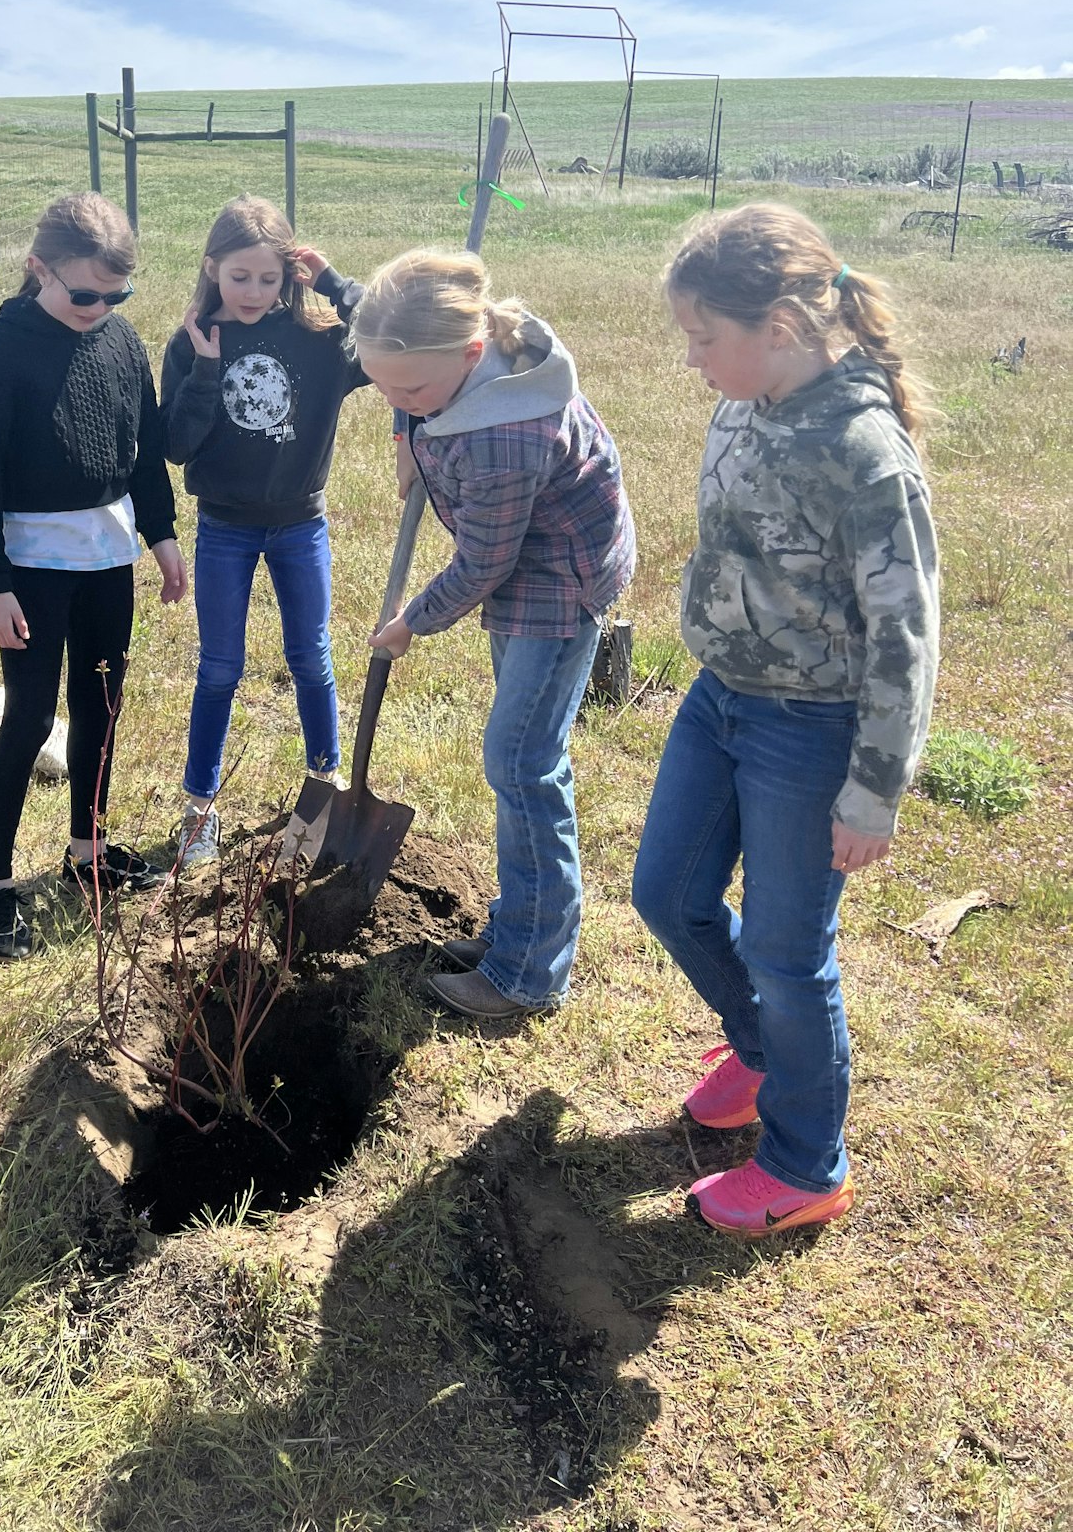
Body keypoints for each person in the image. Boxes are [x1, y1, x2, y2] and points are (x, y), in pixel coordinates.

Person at [633, 203, 939, 1237]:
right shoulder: (745, 403)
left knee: (786, 947)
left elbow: (906, 627)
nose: (691, 360)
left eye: (703, 337)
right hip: (719, 696)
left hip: (809, 731)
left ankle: (808, 1161)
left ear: (780, 323)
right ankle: (764, 1049)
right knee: (666, 891)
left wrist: (875, 786)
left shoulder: (862, 450)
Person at [352, 249, 636, 1021]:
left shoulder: (504, 437)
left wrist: (413, 622)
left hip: (554, 583)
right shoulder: (444, 373)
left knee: (522, 763)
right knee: (522, 761)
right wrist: (409, 430)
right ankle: (520, 926)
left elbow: (483, 564)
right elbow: (399, 366)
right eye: (381, 386)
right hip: (530, 568)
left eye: (410, 391)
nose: (396, 398)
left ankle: (528, 972)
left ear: (472, 355)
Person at [0, 191, 186, 959]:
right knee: (29, 717)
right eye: (84, 293)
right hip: (32, 569)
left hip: (105, 560)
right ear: (37, 270)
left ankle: (87, 853)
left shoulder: (120, 342)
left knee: (102, 700)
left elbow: (144, 445)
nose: (100, 307)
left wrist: (160, 534)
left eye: (116, 294)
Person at [160, 196, 367, 862]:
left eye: (268, 278)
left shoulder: (319, 336)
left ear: (290, 273)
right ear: (211, 267)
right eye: (238, 277)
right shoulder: (191, 339)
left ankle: (324, 786)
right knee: (219, 668)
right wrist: (207, 369)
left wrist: (333, 281)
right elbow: (176, 445)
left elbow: (396, 333)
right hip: (224, 528)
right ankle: (199, 809)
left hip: (300, 525)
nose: (252, 292)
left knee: (311, 659)